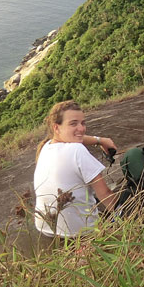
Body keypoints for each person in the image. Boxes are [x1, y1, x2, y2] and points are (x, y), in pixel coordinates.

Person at [33, 101, 117, 238]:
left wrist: (99, 140)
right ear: (56, 128)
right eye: (73, 124)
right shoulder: (77, 150)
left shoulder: (46, 147)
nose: (81, 128)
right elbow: (105, 194)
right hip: (80, 234)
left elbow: (77, 137)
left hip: (46, 229)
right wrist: (127, 219)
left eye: (83, 123)